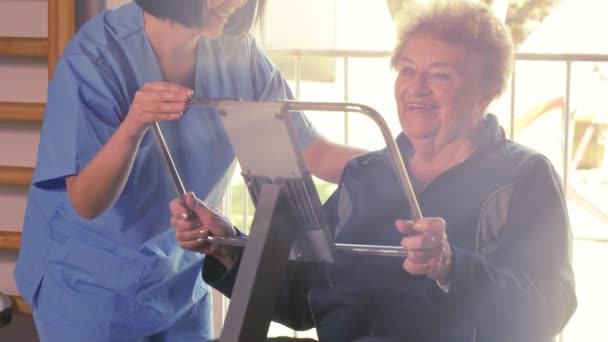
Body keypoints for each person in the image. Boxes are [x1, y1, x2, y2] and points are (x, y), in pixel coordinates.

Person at [169, 1, 577, 341]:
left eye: (440, 76)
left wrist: (451, 267)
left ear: (487, 91)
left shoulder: (524, 177)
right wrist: (227, 247)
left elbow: (549, 310)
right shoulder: (366, 174)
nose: (416, 88)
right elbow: (304, 300)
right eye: (408, 70)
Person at [14, 0, 365, 341]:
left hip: (180, 282)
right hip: (88, 288)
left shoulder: (239, 53)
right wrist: (134, 124)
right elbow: (87, 202)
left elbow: (312, 152)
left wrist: (406, 165)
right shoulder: (96, 58)